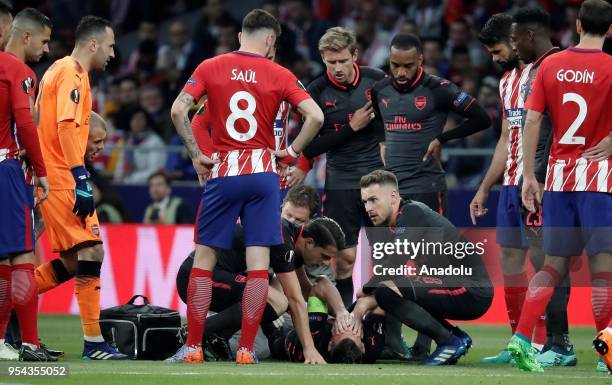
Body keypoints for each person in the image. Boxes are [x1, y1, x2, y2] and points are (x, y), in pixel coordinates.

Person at [169, 8, 323, 365]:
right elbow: (315, 116)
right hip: (264, 175)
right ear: (270, 40)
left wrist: (196, 155)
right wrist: (290, 152)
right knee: (258, 267)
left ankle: (193, 347)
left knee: (204, 263)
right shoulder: (281, 73)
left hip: (224, 172)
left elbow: (180, 111)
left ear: (241, 36)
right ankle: (245, 350)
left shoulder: (210, 66)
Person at [370, 32, 490, 359]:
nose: (401, 73)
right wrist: (382, 141)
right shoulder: (380, 90)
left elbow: (482, 116)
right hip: (390, 194)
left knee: (429, 268)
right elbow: (376, 123)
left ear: (420, 60)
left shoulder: (438, 89)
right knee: (389, 267)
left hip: (426, 187)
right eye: (395, 65)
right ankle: (394, 344)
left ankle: (429, 342)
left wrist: (443, 138)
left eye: (408, 66)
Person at [506, 0, 612, 373]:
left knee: (551, 266)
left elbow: (532, 120)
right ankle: (606, 353)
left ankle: (521, 339)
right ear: (611, 29)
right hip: (598, 179)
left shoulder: (551, 64)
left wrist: (530, 177)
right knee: (603, 270)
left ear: (578, 24)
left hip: (557, 179)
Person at [472, 12, 574, 366]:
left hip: (542, 182)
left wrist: (544, 176)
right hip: (511, 184)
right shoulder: (506, 82)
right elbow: (505, 137)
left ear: (517, 40)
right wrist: (485, 186)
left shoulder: (551, 70)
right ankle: (519, 342)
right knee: (510, 261)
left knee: (545, 260)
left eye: (500, 48)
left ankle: (557, 343)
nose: (497, 57)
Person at [34, 15, 127, 360]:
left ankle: (13, 300)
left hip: (55, 175)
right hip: (62, 178)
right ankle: (93, 343)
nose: (113, 54)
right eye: (111, 46)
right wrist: (81, 175)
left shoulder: (60, 71)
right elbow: (66, 128)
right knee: (91, 252)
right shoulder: (72, 72)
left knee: (77, 261)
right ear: (93, 44)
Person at [289, 26, 386, 308]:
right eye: (331, 62)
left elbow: (393, 123)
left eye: (343, 60)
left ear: (355, 54)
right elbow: (311, 146)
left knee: (387, 258)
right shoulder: (316, 91)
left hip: (377, 182)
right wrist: (351, 127)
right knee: (345, 259)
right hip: (341, 181)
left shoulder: (377, 81)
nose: (338, 68)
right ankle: (341, 322)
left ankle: (386, 332)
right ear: (322, 59)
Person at [358, 170, 493, 365]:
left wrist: (364, 290)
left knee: (385, 291)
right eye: (364, 202)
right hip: (448, 283)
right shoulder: (382, 226)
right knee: (387, 290)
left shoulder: (413, 213)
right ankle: (453, 338)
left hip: (471, 288)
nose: (368, 208)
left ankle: (449, 342)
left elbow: (395, 263)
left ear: (393, 196)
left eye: (373, 200)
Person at [172, 216, 346, 363]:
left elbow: (307, 290)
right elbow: (295, 299)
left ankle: (216, 337)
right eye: (325, 256)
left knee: (274, 292)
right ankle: (197, 330)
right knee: (278, 301)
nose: (325, 263)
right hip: (194, 278)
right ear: (309, 243)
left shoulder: (292, 241)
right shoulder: (284, 241)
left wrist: (342, 313)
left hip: (213, 276)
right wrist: (309, 350)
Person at [0, 8, 52, 362]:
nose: (47, 49)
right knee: (22, 254)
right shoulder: (18, 71)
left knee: (3, 259)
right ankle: (31, 344)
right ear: (26, 37)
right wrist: (41, 170)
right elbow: (25, 122)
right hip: (6, 168)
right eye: (45, 41)